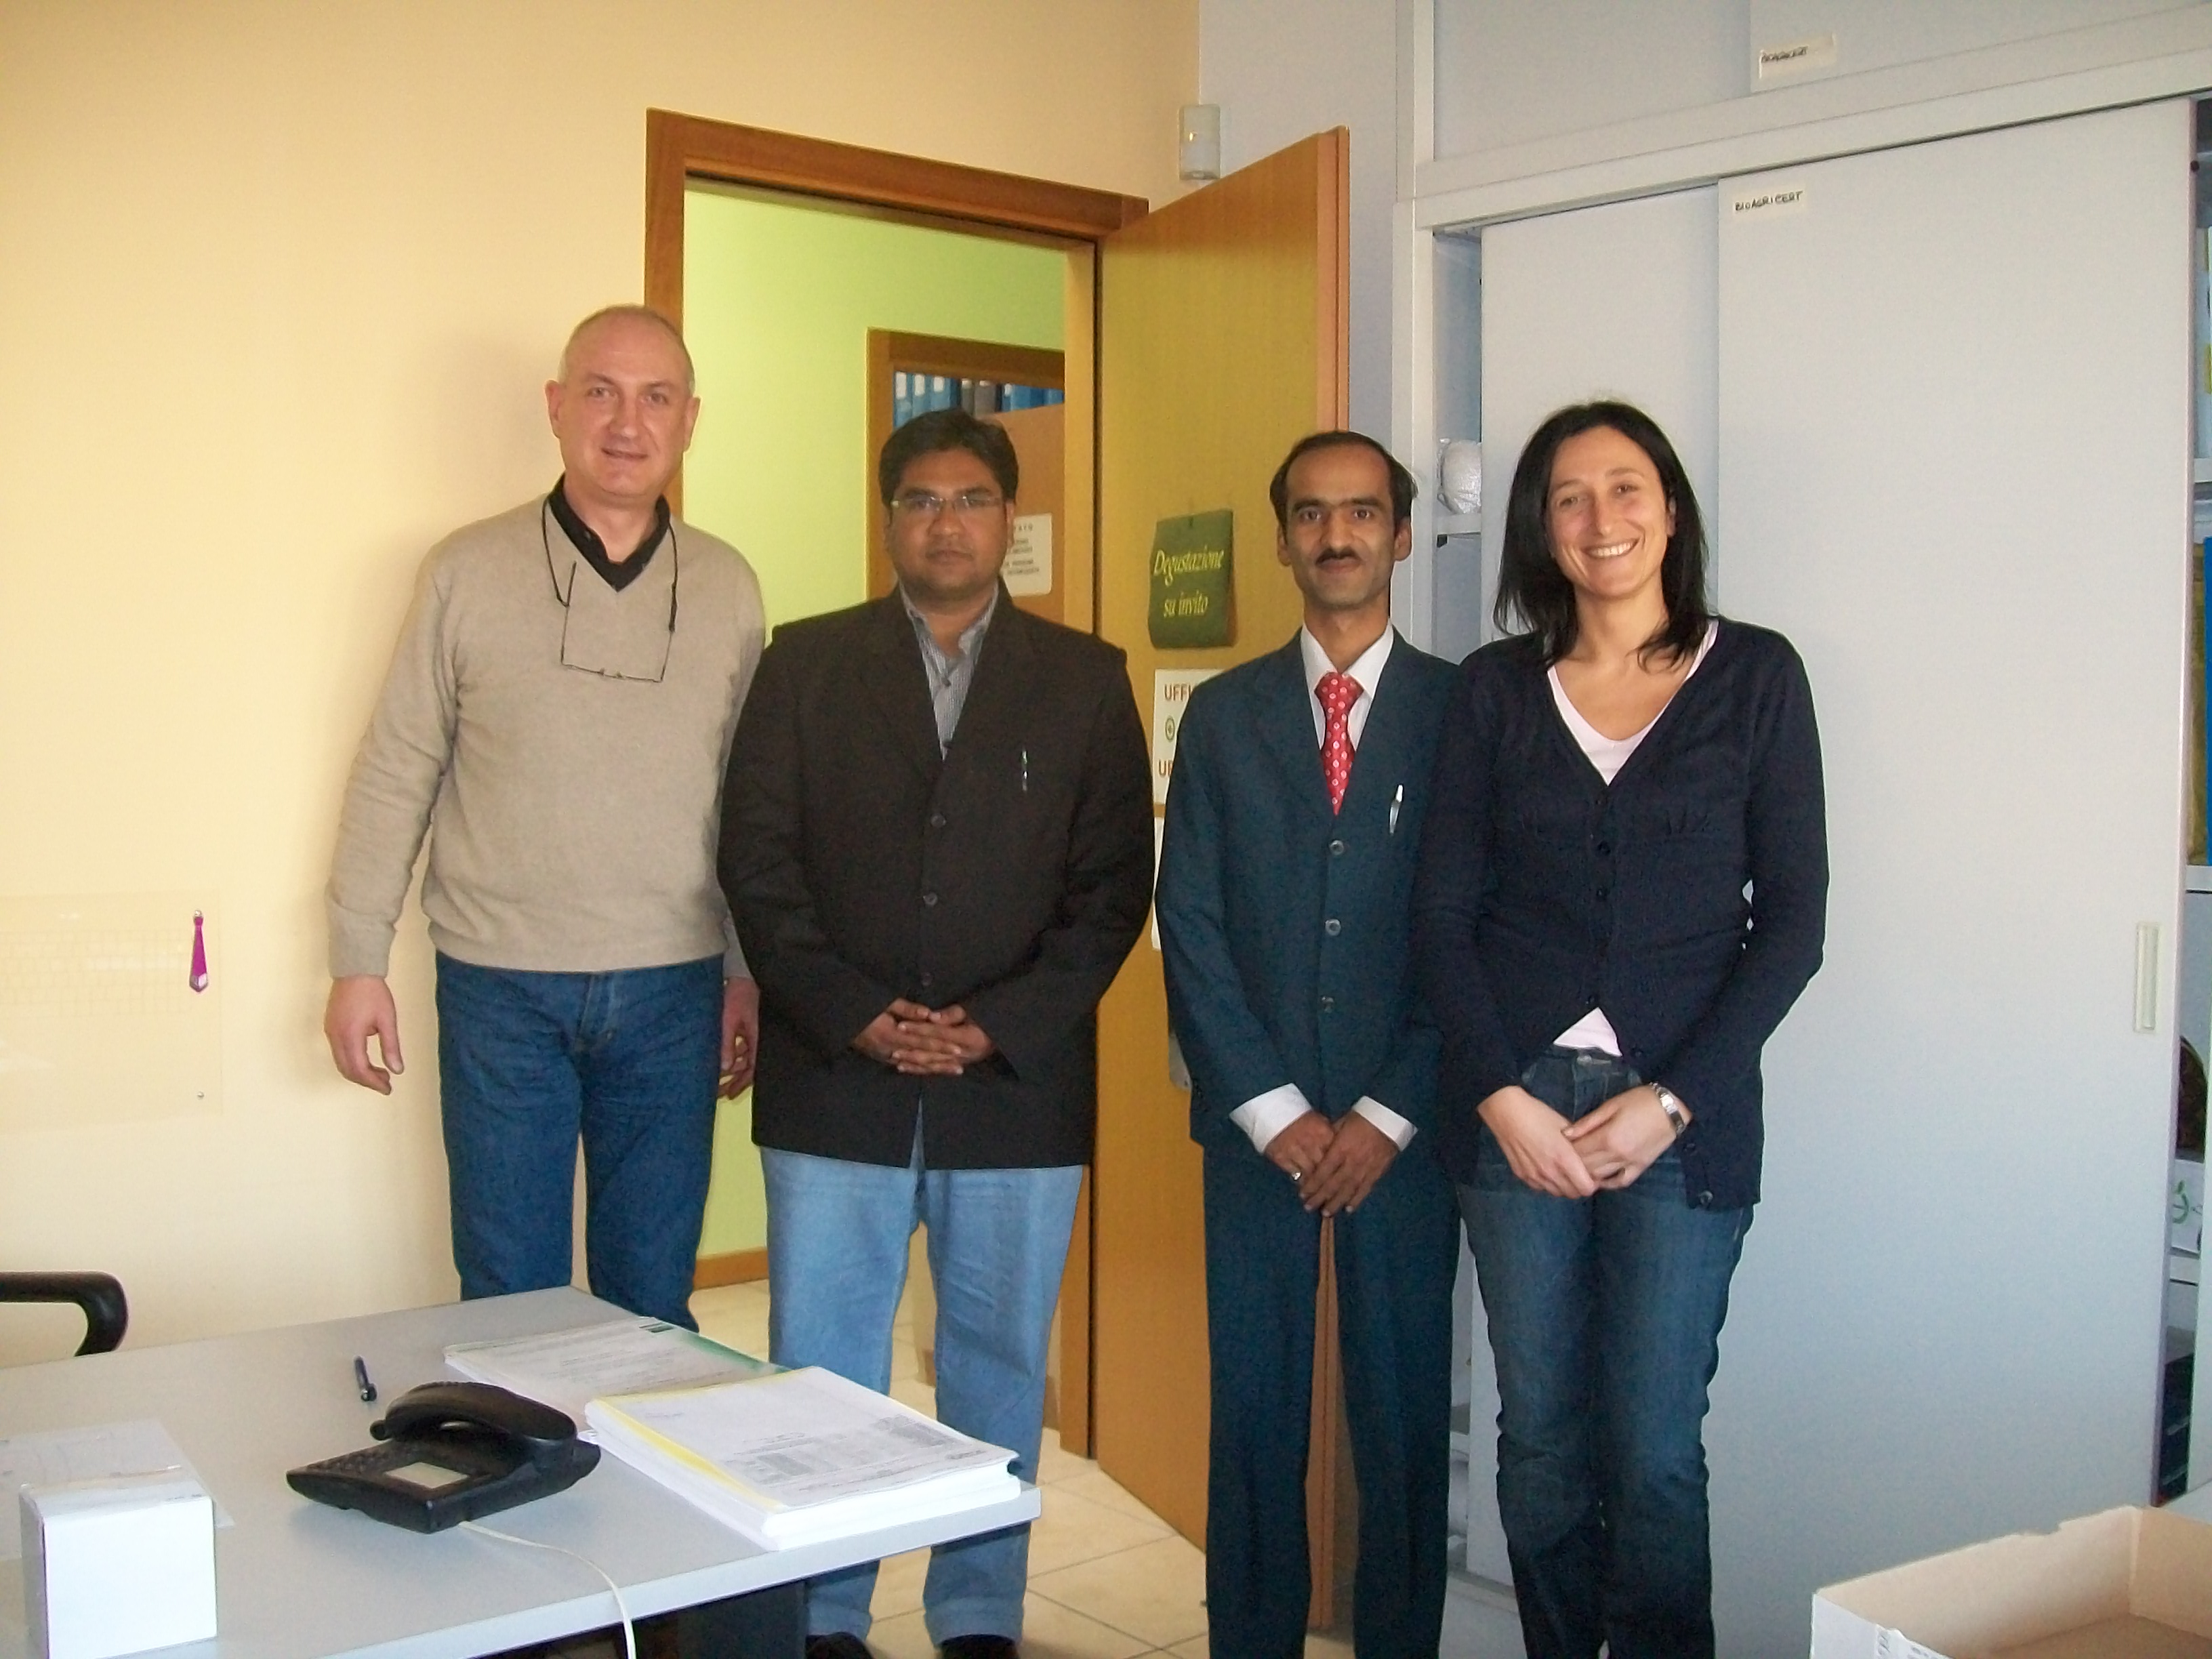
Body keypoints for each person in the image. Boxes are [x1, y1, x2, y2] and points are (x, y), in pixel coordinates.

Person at [719, 407, 1153, 1659]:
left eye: (970, 499)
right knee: (821, 1374)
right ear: (888, 519)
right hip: (833, 1080)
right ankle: (825, 1613)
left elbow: (1113, 889)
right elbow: (757, 862)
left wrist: (992, 1027)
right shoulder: (805, 664)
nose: (945, 522)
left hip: (1013, 1090)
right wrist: (854, 1014)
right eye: (919, 500)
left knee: (996, 1365)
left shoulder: (1085, 679)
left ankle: (976, 1613)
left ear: (1009, 519)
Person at [1414, 401, 1826, 1658]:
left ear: (1672, 510)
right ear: (1542, 529)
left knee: (1651, 1450)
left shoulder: (1757, 677)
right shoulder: (1494, 690)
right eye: (1570, 497)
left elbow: (1793, 925)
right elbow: (1442, 915)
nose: (1602, 519)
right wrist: (1499, 1097)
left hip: (1683, 1118)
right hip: (1517, 1108)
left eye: (1627, 487)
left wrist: (1674, 1100)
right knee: (1540, 1440)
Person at [323, 305, 765, 1330]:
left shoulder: (729, 588)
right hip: (500, 988)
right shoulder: (465, 571)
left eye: (656, 397)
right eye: (601, 392)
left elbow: (753, 803)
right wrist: (357, 960)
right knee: (507, 1298)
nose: (627, 422)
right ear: (558, 407)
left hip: (675, 990)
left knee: (651, 1301)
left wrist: (747, 971)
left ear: (690, 420)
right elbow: (397, 766)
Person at [1156, 432, 1460, 1659]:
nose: (1338, 535)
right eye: (1314, 514)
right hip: (1257, 1134)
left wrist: (1388, 1112)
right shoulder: (1224, 715)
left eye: (1364, 512)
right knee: (1254, 1413)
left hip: (1407, 1135)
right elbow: (1189, 919)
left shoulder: (1466, 712)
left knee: (1402, 1420)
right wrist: (1272, 1109)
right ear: (1284, 538)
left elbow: (1483, 930)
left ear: (1401, 533)